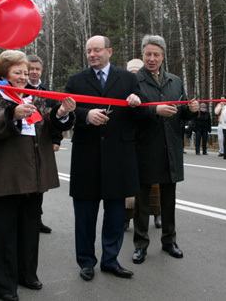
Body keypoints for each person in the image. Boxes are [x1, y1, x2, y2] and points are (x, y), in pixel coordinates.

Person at [0, 50, 75, 301]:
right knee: (3, 233)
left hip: (32, 175)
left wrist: (60, 113)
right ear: (4, 72)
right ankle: (5, 285)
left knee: (29, 230)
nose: (23, 77)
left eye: (26, 73)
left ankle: (27, 274)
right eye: (17, 72)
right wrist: (10, 114)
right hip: (1, 176)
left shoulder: (32, 95)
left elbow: (45, 122)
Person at [64, 35, 141, 281]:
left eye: (97, 50)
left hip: (119, 157)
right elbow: (65, 111)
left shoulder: (129, 78)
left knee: (116, 216)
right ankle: (86, 262)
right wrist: (86, 115)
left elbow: (140, 114)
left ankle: (111, 260)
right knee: (85, 216)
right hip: (86, 156)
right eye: (88, 51)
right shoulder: (75, 81)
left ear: (110, 51)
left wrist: (136, 103)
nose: (92, 55)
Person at [132, 35, 199, 265]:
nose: (152, 59)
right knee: (142, 201)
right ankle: (140, 244)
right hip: (144, 147)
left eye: (156, 55)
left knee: (168, 200)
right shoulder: (134, 81)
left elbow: (182, 112)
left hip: (170, 147)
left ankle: (169, 241)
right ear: (143, 55)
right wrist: (154, 111)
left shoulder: (175, 81)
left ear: (163, 57)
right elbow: (129, 113)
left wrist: (192, 110)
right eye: (148, 54)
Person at [124, 59, 161, 231]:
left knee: (153, 181)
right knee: (128, 181)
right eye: (131, 72)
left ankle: (157, 213)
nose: (134, 75)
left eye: (136, 71)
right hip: (127, 139)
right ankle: (126, 216)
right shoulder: (122, 87)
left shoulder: (150, 86)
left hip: (148, 139)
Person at [27, 54, 63, 234]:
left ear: (42, 70)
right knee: (26, 183)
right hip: (23, 146)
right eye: (30, 68)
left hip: (42, 143)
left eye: (37, 69)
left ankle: (36, 219)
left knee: (40, 184)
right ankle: (25, 220)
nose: (33, 72)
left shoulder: (47, 91)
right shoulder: (18, 89)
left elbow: (55, 117)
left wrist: (56, 140)